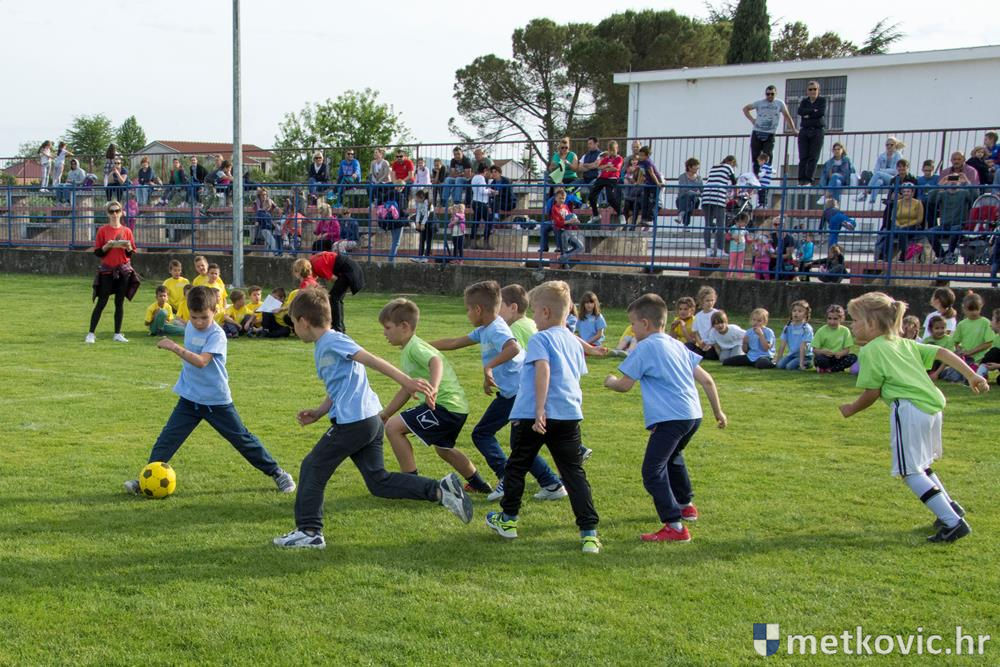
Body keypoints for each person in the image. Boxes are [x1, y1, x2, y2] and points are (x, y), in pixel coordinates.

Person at [271, 289, 472, 549]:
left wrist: (407, 382)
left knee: (312, 467)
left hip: (355, 423)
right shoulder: (325, 345)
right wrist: (320, 411)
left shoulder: (333, 340)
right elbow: (339, 385)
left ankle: (309, 532)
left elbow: (371, 359)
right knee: (379, 482)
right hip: (368, 420)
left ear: (304, 321)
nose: (293, 329)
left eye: (293, 322)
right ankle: (441, 490)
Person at [840, 292, 988, 543]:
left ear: (872, 323)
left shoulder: (872, 350)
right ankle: (950, 508)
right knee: (922, 466)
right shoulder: (903, 343)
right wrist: (971, 375)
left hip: (909, 409)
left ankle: (953, 523)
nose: (852, 326)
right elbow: (942, 352)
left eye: (855, 320)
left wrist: (851, 409)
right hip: (932, 408)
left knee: (909, 472)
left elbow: (872, 392)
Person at [123, 286, 296, 496]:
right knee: (167, 440)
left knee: (242, 439)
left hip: (216, 401)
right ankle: (146, 480)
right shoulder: (190, 327)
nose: (198, 322)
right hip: (189, 398)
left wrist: (174, 347)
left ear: (215, 310)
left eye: (204, 317)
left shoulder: (217, 335)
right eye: (194, 317)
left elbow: (201, 361)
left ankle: (278, 473)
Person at [484, 281, 602, 554]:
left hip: (532, 415)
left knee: (516, 467)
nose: (534, 317)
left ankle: (508, 520)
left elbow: (543, 370)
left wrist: (539, 410)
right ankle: (589, 534)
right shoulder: (573, 341)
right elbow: (574, 377)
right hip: (568, 415)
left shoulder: (541, 339)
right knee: (573, 473)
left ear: (546, 312)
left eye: (535, 311)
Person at [603, 293, 726, 542]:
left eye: (633, 324)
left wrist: (610, 381)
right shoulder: (676, 344)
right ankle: (685, 505)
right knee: (673, 456)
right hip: (693, 416)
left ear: (645, 323)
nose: (632, 329)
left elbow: (625, 385)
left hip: (671, 418)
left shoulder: (645, 347)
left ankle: (675, 526)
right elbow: (707, 380)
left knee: (652, 471)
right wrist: (718, 412)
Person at [429, 281, 566, 503]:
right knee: (519, 444)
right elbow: (455, 342)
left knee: (482, 434)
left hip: (519, 392)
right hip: (514, 393)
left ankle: (507, 478)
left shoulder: (497, 329)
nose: (467, 314)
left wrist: (489, 367)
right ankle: (551, 484)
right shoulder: (485, 329)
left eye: (467, 309)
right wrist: (423, 345)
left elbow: (513, 347)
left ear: (478, 310)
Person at [377, 298, 492, 493]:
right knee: (444, 450)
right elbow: (407, 388)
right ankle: (478, 484)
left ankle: (412, 483)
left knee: (393, 428)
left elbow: (435, 361)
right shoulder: (410, 348)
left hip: (444, 406)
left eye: (387, 328)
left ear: (404, 326)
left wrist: (434, 387)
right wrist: (386, 413)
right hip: (456, 408)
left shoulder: (415, 347)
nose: (384, 333)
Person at [86, 201, 139, 344]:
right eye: (111, 211)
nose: (114, 214)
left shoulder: (127, 231)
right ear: (107, 214)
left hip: (123, 271)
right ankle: (91, 333)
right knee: (102, 301)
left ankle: (117, 333)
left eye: (117, 211)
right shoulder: (102, 230)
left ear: (121, 213)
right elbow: (98, 253)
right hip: (107, 270)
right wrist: (107, 246)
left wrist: (128, 247)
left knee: (119, 302)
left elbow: (130, 254)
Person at [742, 85, 797, 176]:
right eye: (768, 94)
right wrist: (752, 120)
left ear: (776, 94)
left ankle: (766, 174)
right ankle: (756, 176)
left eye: (772, 94)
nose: (770, 96)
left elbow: (787, 116)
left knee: (768, 154)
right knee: (755, 156)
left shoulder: (779, 103)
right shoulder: (760, 103)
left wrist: (793, 129)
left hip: (770, 133)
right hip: (757, 131)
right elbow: (745, 109)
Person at [308, 250, 365, 334]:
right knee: (336, 299)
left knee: (334, 298)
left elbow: (334, 278)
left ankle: (337, 328)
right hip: (349, 268)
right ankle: (340, 327)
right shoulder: (313, 260)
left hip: (348, 271)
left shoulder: (317, 265)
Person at [701, 156, 737, 257]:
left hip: (706, 196)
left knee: (707, 225)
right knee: (720, 225)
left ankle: (708, 250)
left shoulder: (714, 167)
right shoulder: (728, 167)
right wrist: (735, 194)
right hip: (718, 196)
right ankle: (720, 250)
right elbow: (734, 182)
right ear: (731, 162)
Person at [809, 304, 856, 374]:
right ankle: (828, 368)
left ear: (841, 319)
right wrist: (823, 352)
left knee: (853, 357)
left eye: (835, 319)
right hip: (825, 357)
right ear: (826, 318)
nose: (832, 322)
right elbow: (814, 350)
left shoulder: (845, 331)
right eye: (829, 318)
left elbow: (847, 350)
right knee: (819, 359)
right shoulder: (821, 331)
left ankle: (830, 369)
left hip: (838, 358)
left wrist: (841, 353)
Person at [588, 141, 625, 226]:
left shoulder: (619, 158)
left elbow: (616, 169)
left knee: (610, 198)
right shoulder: (606, 158)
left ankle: (621, 214)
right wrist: (607, 166)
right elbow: (599, 167)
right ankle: (596, 215)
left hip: (612, 179)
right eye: (610, 150)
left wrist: (606, 167)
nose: (611, 152)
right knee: (591, 196)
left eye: (613, 150)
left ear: (617, 149)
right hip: (602, 178)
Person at [796, 81, 826, 185]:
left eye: (815, 89)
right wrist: (813, 111)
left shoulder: (822, 100)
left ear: (818, 90)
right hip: (804, 130)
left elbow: (821, 113)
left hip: (817, 131)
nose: (812, 91)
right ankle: (801, 180)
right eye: (810, 89)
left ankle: (808, 179)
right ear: (807, 91)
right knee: (803, 156)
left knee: (813, 156)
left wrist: (808, 114)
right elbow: (800, 112)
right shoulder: (804, 102)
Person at [952, 292, 995, 365]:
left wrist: (970, 352)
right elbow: (955, 341)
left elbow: (989, 343)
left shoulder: (986, 322)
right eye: (971, 309)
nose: (974, 312)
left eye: (977, 309)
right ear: (964, 308)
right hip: (966, 360)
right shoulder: (961, 324)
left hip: (982, 359)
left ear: (981, 307)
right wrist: (960, 351)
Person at [861, 137, 905, 203]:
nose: (889, 146)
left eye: (891, 145)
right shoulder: (882, 156)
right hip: (883, 179)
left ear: (895, 145)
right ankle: (871, 202)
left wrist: (882, 171)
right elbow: (875, 170)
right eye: (887, 145)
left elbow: (895, 171)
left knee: (879, 174)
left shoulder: (898, 156)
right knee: (878, 182)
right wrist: (882, 172)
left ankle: (865, 192)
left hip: (893, 179)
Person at [775, 300, 814, 370]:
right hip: (792, 355)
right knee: (780, 366)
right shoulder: (787, 327)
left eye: (800, 311)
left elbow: (803, 347)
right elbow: (782, 345)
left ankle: (808, 363)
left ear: (805, 314)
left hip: (805, 356)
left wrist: (801, 364)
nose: (796, 313)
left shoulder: (806, 328)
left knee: (789, 367)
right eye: (794, 311)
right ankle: (793, 361)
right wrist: (778, 360)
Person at [550, 189, 583, 269]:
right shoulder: (554, 208)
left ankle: (562, 258)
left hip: (568, 231)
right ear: (556, 198)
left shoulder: (565, 206)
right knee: (564, 252)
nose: (562, 200)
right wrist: (569, 221)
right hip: (561, 232)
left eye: (563, 198)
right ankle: (564, 262)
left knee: (580, 247)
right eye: (560, 198)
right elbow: (558, 222)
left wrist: (575, 221)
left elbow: (570, 215)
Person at [687, 286, 719, 359]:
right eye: (707, 301)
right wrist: (700, 343)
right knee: (693, 351)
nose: (710, 303)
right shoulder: (698, 316)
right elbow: (695, 332)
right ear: (701, 301)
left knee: (710, 355)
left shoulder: (717, 313)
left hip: (714, 344)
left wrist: (711, 343)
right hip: (703, 343)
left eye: (712, 300)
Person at [469, 164, 496, 248]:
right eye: (487, 171)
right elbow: (482, 191)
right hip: (481, 203)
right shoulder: (481, 178)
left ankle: (472, 242)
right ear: (484, 170)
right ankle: (486, 242)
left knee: (475, 222)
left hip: (475, 201)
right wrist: (490, 191)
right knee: (489, 220)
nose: (487, 173)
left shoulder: (474, 177)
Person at [635, 146, 664, 226]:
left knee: (652, 201)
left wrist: (658, 183)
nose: (640, 157)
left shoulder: (648, 162)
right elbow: (641, 172)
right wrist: (638, 182)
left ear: (647, 156)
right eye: (639, 155)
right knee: (645, 201)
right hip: (648, 184)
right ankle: (643, 219)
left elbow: (652, 173)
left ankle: (649, 219)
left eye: (642, 155)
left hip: (654, 183)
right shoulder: (640, 162)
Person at [676, 158, 702, 228]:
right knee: (687, 201)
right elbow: (683, 189)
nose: (697, 167)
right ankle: (685, 225)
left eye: (697, 165)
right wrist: (692, 192)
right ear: (689, 167)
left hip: (694, 200)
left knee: (689, 198)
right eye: (695, 165)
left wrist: (693, 193)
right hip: (681, 200)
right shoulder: (682, 177)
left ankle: (681, 214)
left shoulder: (699, 178)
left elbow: (702, 191)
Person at [726, 212, 749, 278]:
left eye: (746, 222)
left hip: (741, 249)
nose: (745, 224)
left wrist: (752, 240)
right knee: (732, 264)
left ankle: (740, 277)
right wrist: (733, 237)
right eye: (744, 222)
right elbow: (727, 237)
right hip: (733, 249)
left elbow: (747, 239)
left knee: (740, 264)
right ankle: (729, 277)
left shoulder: (744, 229)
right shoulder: (733, 228)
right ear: (738, 221)